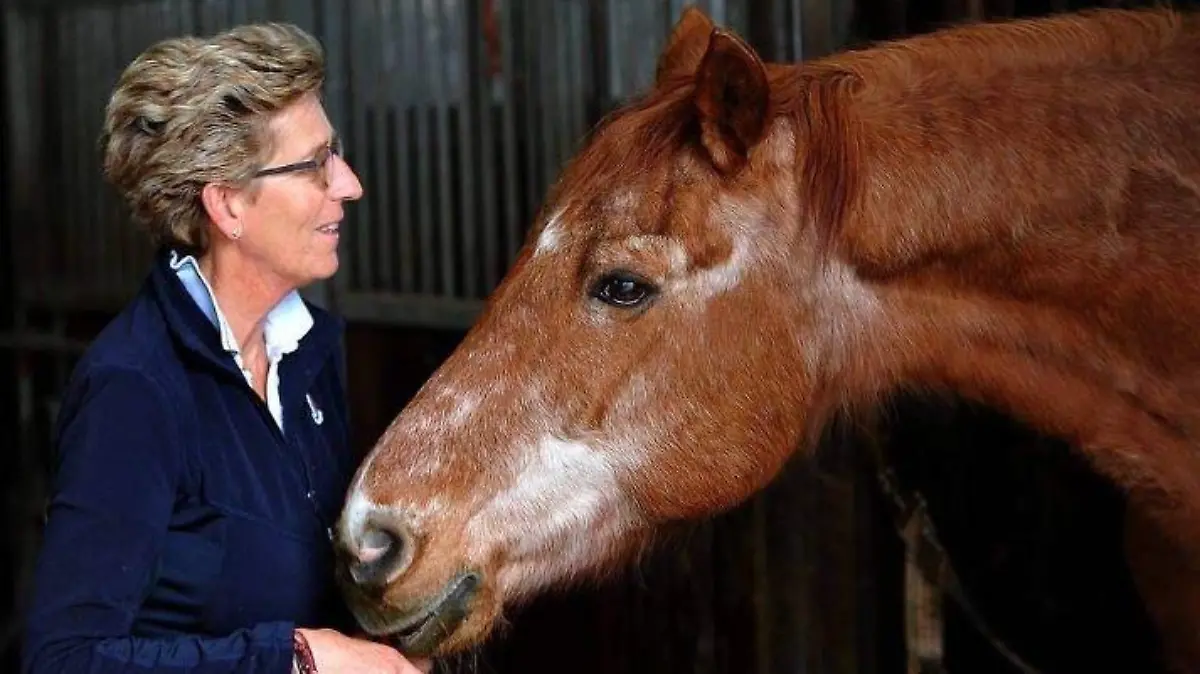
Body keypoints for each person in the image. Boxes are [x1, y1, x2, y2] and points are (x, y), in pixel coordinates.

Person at [20, 22, 430, 674]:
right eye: (314, 164)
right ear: (229, 205)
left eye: (338, 153)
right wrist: (296, 660)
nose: (348, 184)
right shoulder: (135, 390)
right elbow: (64, 660)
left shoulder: (306, 354)